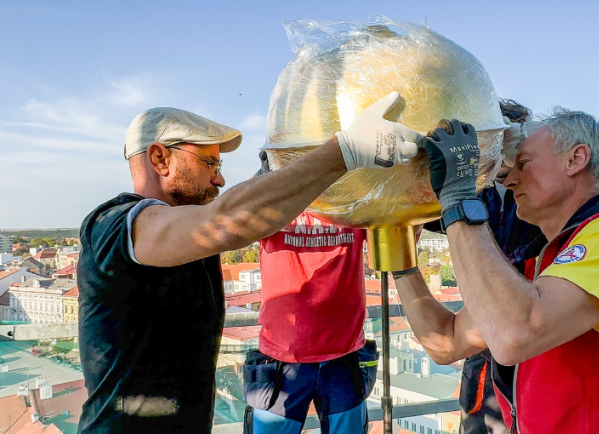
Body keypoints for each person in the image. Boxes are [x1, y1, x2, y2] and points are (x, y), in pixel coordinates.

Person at [76, 93, 421, 434]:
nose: (219, 179)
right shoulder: (113, 224)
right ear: (160, 159)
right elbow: (224, 222)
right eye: (209, 163)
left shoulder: (189, 239)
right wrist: (343, 151)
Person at [395, 109, 599, 433]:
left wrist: (457, 196)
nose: (511, 179)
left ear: (576, 159)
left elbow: (515, 334)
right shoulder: (538, 264)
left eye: (524, 163)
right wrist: (402, 262)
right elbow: (446, 342)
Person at [418, 100, 545, 434]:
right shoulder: (482, 193)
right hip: (482, 350)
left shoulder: (540, 196)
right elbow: (416, 207)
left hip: (537, 342)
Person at [241, 153, 377, 434]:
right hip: (282, 356)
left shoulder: (354, 196)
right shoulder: (276, 195)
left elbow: (390, 241)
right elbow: (238, 214)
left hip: (343, 352)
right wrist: (269, 172)